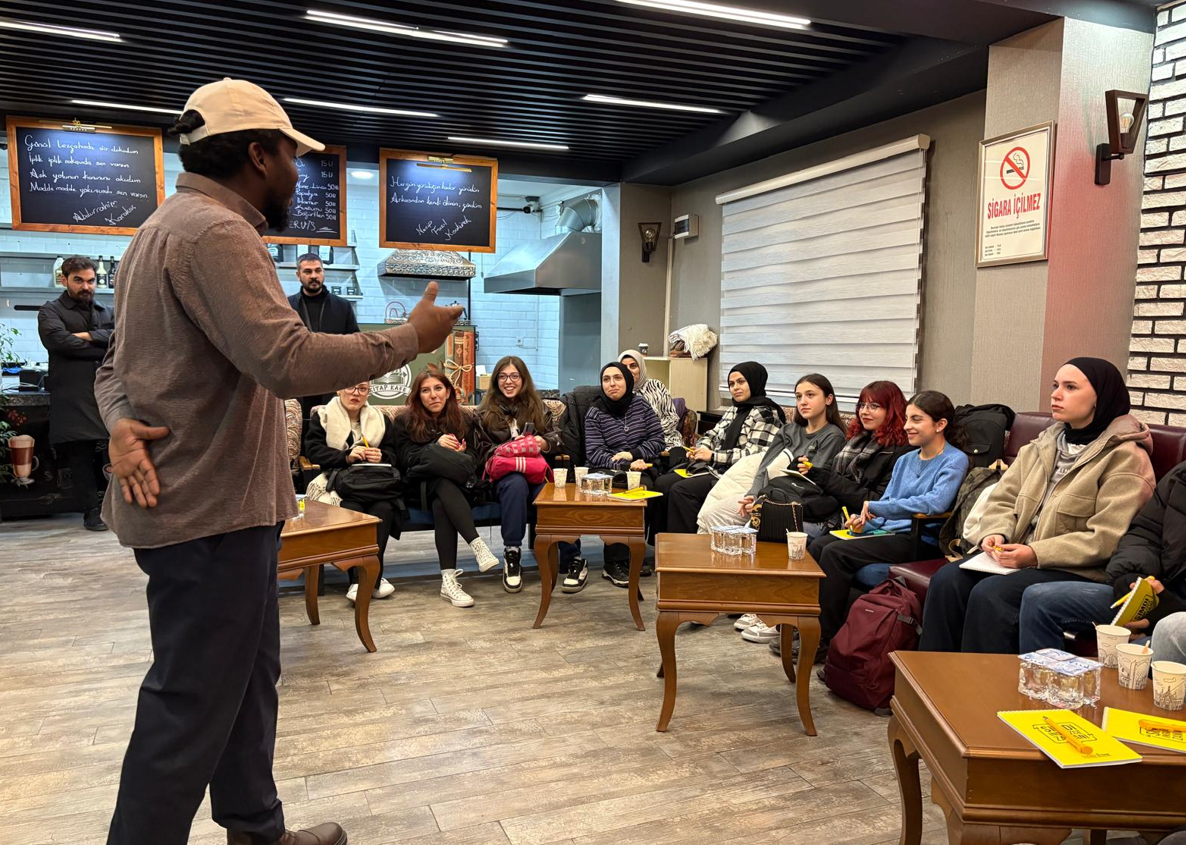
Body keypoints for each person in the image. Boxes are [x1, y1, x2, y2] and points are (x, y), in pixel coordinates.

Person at [94, 78, 462, 845]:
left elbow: (112, 370)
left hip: (225, 510)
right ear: (258, 154)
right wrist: (412, 336)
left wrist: (120, 421)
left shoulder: (157, 232)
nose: (299, 173)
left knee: (247, 683)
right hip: (210, 514)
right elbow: (287, 360)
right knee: (188, 704)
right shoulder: (217, 235)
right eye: (292, 157)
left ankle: (258, 830)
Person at [919, 358, 1155, 655]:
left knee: (992, 595)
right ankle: (933, 684)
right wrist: (996, 534)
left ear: (1101, 397)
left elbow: (1107, 537)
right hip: (1017, 556)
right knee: (948, 581)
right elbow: (1002, 498)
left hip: (1074, 569)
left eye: (1070, 387)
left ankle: (984, 693)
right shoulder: (1044, 444)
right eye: (1055, 386)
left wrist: (1035, 555)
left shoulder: (1126, 458)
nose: (1056, 394)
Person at [779, 391, 969, 657]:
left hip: (918, 539)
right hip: (886, 532)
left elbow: (934, 503)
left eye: (916, 420)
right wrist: (863, 523)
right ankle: (805, 627)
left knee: (835, 553)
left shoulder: (954, 459)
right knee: (822, 545)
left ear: (940, 425)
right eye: (906, 419)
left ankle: (825, 639)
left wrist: (876, 508)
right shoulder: (905, 460)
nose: (907, 426)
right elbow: (886, 507)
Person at [743, 380, 912, 645]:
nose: (865, 412)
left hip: (861, 519)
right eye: (862, 405)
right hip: (834, 507)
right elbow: (832, 481)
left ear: (893, 411)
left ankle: (798, 626)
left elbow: (874, 500)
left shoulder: (899, 451)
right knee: (766, 524)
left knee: (803, 540)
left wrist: (824, 479)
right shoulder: (856, 440)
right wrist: (816, 476)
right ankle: (778, 614)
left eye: (875, 406)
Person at [1017, 458, 1186, 653]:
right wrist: (1131, 575)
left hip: (1175, 614)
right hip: (1158, 594)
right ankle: (1040, 683)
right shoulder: (1181, 475)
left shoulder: (1128, 456)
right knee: (1038, 599)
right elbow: (1146, 532)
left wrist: (1172, 611)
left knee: (1136, 652)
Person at [393, 367, 498, 607]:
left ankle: (448, 581)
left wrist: (456, 455)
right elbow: (406, 460)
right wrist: (436, 446)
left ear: (449, 391)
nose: (433, 395)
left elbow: (474, 459)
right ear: (418, 396)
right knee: (440, 481)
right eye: (426, 391)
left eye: (438, 388)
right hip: (418, 488)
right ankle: (477, 544)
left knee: (443, 495)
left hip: (456, 486)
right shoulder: (404, 421)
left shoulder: (464, 418)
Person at [695, 373, 846, 533]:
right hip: (766, 493)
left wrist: (763, 503)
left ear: (828, 399)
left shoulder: (833, 435)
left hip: (796, 503)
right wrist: (753, 495)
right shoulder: (788, 430)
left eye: (810, 395)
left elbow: (809, 482)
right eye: (798, 396)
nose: (803, 402)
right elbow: (764, 467)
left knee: (750, 527)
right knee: (712, 514)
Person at [475, 355, 567, 593]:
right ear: (496, 381)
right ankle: (512, 552)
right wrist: (510, 451)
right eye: (503, 376)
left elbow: (557, 438)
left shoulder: (538, 407)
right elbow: (479, 450)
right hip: (502, 478)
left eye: (514, 376)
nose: (509, 381)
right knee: (516, 484)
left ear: (523, 379)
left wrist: (541, 442)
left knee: (547, 492)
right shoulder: (484, 411)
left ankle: (570, 555)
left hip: (534, 474)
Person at [659, 362, 785, 535]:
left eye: (741, 382)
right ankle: (661, 544)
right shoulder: (735, 409)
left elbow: (754, 456)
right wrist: (700, 450)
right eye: (731, 384)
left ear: (755, 382)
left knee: (681, 491)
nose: (735, 388)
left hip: (738, 476)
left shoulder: (766, 414)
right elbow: (712, 434)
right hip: (716, 468)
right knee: (663, 482)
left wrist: (712, 456)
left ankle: (688, 548)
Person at [37, 256, 115, 531]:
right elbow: (58, 341)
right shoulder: (51, 311)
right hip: (72, 393)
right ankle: (90, 511)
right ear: (64, 279)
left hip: (106, 392)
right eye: (79, 280)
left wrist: (82, 337)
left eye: (91, 281)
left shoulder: (107, 311)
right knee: (80, 454)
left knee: (111, 454)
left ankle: (113, 508)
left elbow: (121, 338)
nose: (86, 286)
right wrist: (99, 340)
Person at [303, 381, 399, 603]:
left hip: (374, 484)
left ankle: (363, 581)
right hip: (338, 483)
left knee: (383, 510)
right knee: (352, 509)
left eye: (362, 389)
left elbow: (395, 454)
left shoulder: (380, 418)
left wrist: (381, 456)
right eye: (350, 387)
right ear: (338, 389)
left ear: (368, 393)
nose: (356, 393)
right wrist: (346, 457)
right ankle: (369, 579)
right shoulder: (323, 415)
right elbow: (314, 451)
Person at [585, 361, 665, 587]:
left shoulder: (641, 405)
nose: (612, 384)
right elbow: (594, 453)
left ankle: (633, 556)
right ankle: (613, 563)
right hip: (609, 470)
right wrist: (623, 464)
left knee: (650, 490)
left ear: (627, 381)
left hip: (642, 465)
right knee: (625, 491)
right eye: (606, 379)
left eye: (617, 378)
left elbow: (658, 440)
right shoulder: (595, 412)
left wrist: (634, 455)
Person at [287, 252, 360, 437]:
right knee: (298, 435)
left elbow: (356, 346)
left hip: (332, 385)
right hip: (297, 384)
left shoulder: (342, 307)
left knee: (333, 435)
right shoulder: (286, 307)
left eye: (318, 270)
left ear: (323, 272)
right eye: (308, 271)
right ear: (298, 275)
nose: (313, 276)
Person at [619, 349, 684, 453]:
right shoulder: (618, 392)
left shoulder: (656, 386)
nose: (628, 370)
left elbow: (672, 417)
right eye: (624, 367)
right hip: (635, 445)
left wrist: (653, 433)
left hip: (667, 440)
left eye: (633, 366)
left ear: (641, 367)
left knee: (678, 460)